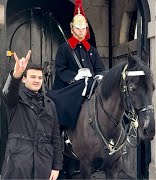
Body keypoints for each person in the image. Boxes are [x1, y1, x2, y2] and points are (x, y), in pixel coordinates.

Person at [1, 50, 63, 180]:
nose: (37, 80)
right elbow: (8, 92)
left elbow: (56, 138)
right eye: (33, 77)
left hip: (43, 163)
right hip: (18, 162)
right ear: (24, 79)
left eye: (40, 78)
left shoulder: (49, 104)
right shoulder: (15, 99)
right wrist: (16, 75)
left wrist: (56, 167)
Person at [47, 0, 106, 129]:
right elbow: (61, 69)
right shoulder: (64, 48)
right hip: (70, 88)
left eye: (83, 28)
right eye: (78, 28)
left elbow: (100, 68)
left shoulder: (92, 50)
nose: (80, 31)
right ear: (72, 28)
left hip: (90, 86)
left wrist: (99, 76)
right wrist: (75, 77)